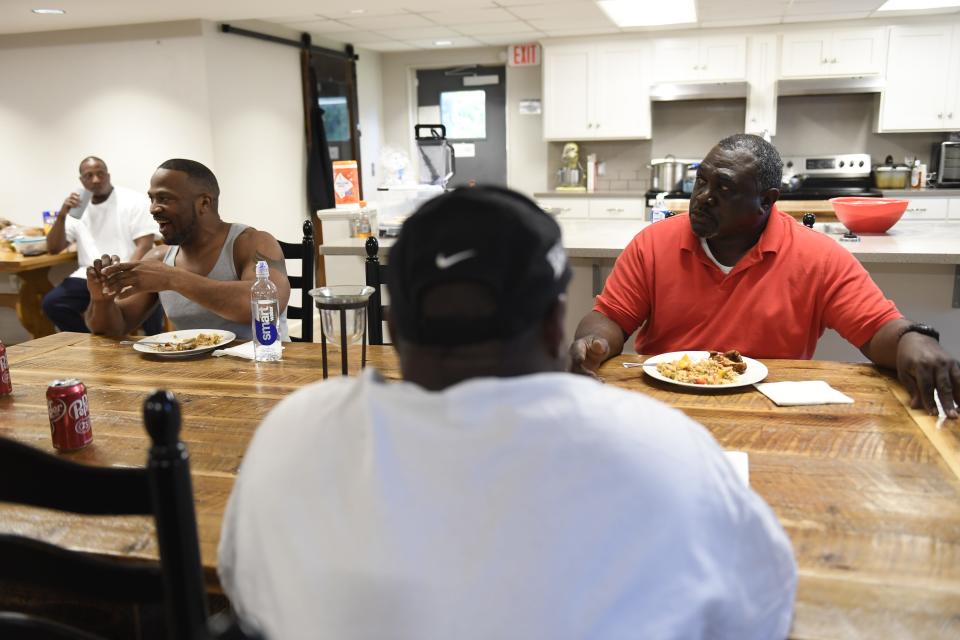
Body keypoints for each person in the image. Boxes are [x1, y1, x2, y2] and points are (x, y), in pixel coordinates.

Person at [218, 186, 797, 640]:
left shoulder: (294, 433)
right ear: (553, 322)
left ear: (393, 328)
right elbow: (760, 613)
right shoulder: (665, 450)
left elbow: (245, 590)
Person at [570, 134, 960, 419]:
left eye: (724, 188)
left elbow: (877, 331)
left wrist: (913, 340)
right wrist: (594, 342)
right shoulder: (654, 243)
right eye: (701, 181)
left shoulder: (816, 256)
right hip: (664, 409)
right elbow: (611, 318)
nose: (703, 197)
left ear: (767, 201)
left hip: (771, 412)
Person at [84, 159, 290, 340]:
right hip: (191, 377)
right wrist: (102, 300)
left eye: (164, 198)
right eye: (152, 199)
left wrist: (172, 279)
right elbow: (115, 328)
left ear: (204, 203)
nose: (153, 208)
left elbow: (264, 306)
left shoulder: (253, 242)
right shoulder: (158, 258)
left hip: (262, 370)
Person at [42, 156, 164, 334]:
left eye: (100, 174)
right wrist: (62, 215)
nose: (96, 180)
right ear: (81, 180)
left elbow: (144, 245)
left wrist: (123, 276)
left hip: (128, 271)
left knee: (148, 297)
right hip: (90, 276)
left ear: (108, 175)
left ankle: (155, 345)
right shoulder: (79, 206)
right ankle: (94, 341)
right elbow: (53, 248)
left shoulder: (131, 199)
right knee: (53, 303)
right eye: (89, 175)